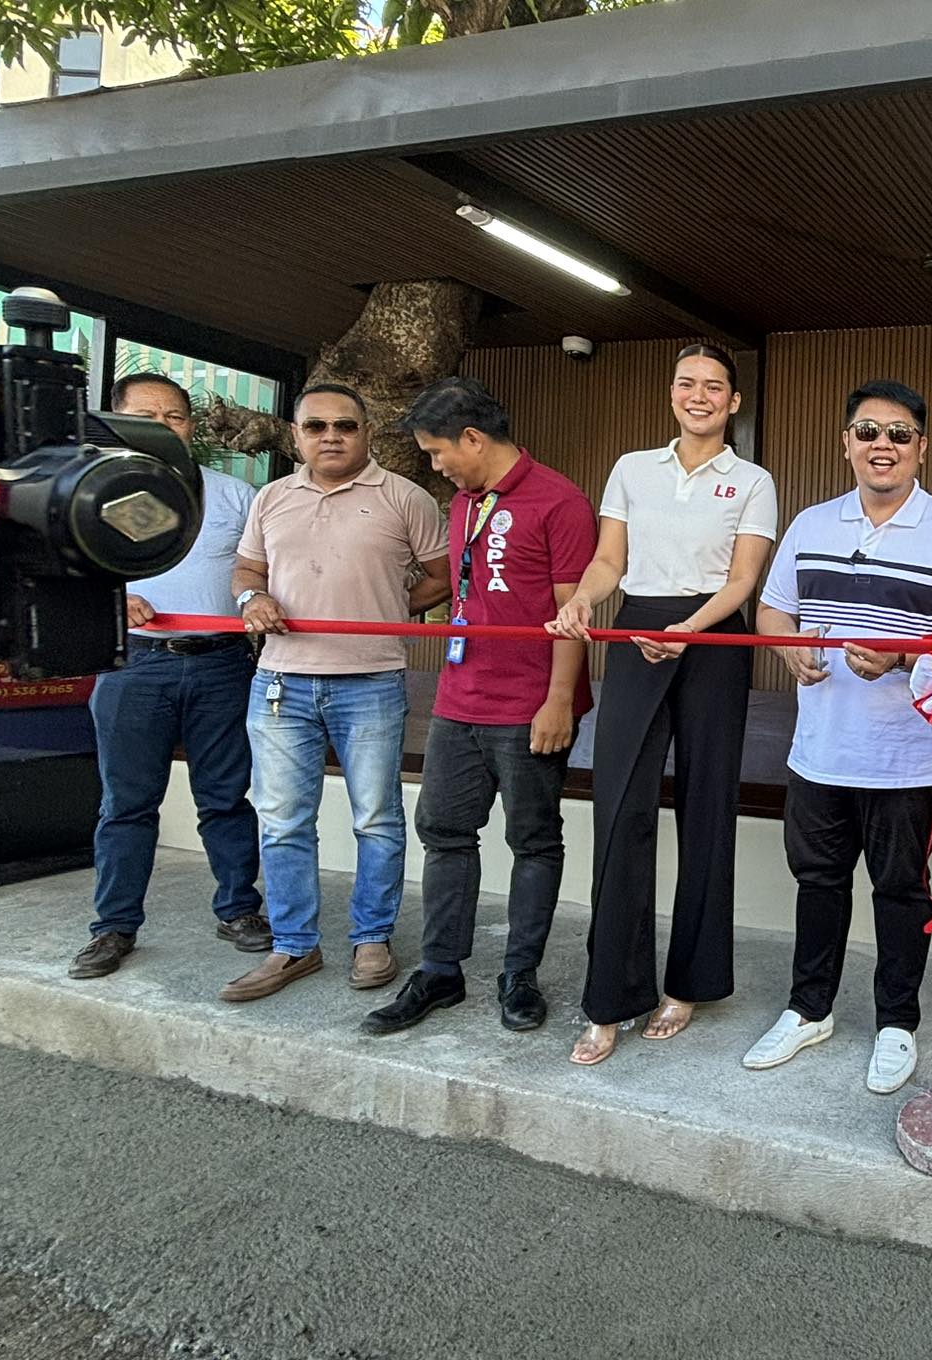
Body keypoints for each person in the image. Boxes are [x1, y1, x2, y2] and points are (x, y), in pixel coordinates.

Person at [746, 379, 932, 1095]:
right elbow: (772, 612)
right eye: (867, 432)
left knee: (898, 890)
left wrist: (902, 653)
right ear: (845, 443)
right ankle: (808, 1009)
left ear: (922, 447)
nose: (881, 445)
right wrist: (789, 647)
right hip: (820, 749)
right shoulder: (811, 523)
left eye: (898, 433)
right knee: (818, 881)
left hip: (906, 758)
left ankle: (896, 1024)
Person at [548, 345, 775, 1066]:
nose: (699, 395)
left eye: (714, 387)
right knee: (620, 809)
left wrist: (688, 631)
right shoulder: (631, 468)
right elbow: (611, 561)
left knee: (707, 807)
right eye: (686, 384)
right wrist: (586, 598)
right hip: (636, 628)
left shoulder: (752, 479)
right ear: (671, 393)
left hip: (713, 640)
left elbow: (743, 581)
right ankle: (609, 998)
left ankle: (691, 983)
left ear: (733, 401)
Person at [362, 378, 597, 1037]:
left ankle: (519, 975)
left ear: (473, 438)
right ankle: (441, 969)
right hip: (460, 702)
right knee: (443, 832)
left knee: (532, 838)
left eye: (438, 452)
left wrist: (558, 702)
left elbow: (572, 616)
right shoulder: (466, 501)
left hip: (531, 707)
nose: (435, 466)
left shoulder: (561, 500)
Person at [223, 382, 449, 1002]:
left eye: (345, 426)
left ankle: (372, 937)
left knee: (377, 818)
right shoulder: (271, 498)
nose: (331, 437)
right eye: (316, 426)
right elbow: (247, 569)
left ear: (367, 433)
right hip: (279, 682)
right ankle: (293, 946)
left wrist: (386, 606)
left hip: (371, 681)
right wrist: (253, 597)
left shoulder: (405, 497)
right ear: (296, 435)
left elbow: (441, 576)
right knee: (282, 821)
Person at [67, 374, 270, 980]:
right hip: (136, 666)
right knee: (126, 804)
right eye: (146, 416)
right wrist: (106, 599)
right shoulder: (92, 491)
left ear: (192, 426)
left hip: (223, 664)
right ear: (118, 422)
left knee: (226, 798)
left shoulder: (234, 495)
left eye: (176, 416)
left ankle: (239, 909)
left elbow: (262, 571)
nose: (164, 427)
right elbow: (64, 574)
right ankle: (113, 927)